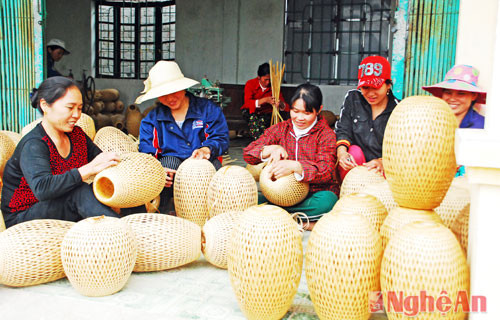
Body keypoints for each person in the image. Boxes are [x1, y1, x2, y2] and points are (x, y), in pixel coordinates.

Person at [1, 77, 121, 228]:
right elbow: (42, 189)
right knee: (79, 191)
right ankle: (123, 231)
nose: (77, 114)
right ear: (45, 105)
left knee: (118, 185)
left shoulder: (77, 135)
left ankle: (138, 224)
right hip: (24, 217)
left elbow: (103, 160)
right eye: (70, 108)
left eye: (79, 108)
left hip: (60, 203)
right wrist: (88, 169)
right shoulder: (34, 144)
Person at [136, 61, 229, 213]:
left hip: (203, 163)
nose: (170, 98)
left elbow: (220, 138)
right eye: (163, 94)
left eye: (174, 91)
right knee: (167, 166)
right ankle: (164, 216)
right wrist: (157, 171)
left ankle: (213, 218)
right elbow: (146, 152)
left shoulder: (207, 109)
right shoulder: (152, 120)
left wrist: (206, 149)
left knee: (214, 176)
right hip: (172, 171)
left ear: (184, 87)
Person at [243, 83, 339, 229]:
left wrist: (297, 167)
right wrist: (270, 149)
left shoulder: (325, 134)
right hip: (277, 195)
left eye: (307, 113)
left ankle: (272, 215)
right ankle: (299, 221)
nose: (299, 118)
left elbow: (326, 170)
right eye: (295, 111)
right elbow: (248, 154)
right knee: (246, 197)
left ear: (319, 110)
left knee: (328, 201)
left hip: (312, 195)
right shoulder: (281, 129)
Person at [335, 55, 399, 180]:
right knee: (354, 152)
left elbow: (403, 148)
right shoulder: (353, 99)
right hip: (354, 166)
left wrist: (382, 162)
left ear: (388, 85)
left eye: (376, 87)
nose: (370, 93)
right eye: (365, 87)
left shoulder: (399, 109)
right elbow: (343, 130)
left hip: (383, 170)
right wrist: (342, 153)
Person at [422, 64, 486, 129]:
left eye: (461, 93)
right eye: (448, 92)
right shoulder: (431, 121)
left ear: (474, 96)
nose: (452, 99)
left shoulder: (482, 126)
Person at [241, 62, 289, 140]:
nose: (268, 82)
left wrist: (280, 103)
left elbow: (285, 106)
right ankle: (261, 143)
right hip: (251, 113)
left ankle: (264, 143)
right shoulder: (250, 84)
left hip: (266, 114)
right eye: (266, 79)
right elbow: (247, 104)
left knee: (265, 123)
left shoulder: (274, 86)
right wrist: (264, 100)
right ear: (259, 78)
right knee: (255, 121)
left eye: (270, 79)